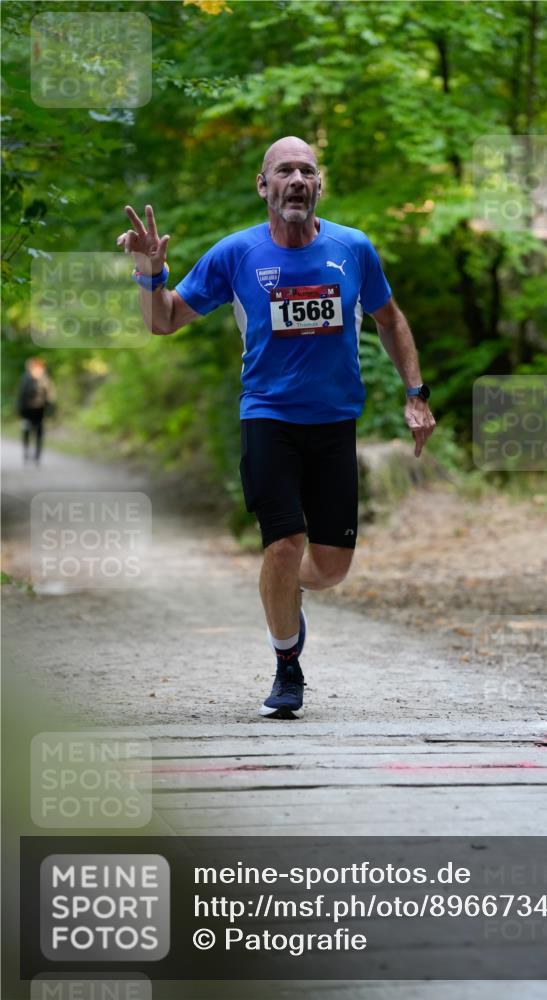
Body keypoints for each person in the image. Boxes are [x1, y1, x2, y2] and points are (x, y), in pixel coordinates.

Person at [117, 136, 435, 719]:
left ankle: (285, 590)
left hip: (335, 421)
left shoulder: (353, 248)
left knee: (331, 568)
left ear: (318, 186)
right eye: (283, 170)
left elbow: (390, 319)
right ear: (264, 186)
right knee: (284, 544)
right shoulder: (237, 254)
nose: (296, 179)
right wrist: (150, 272)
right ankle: (288, 667)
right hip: (267, 418)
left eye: (306, 170)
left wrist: (416, 393)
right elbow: (162, 322)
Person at [17, 357, 56, 466]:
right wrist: (20, 411)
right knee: (26, 432)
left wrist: (51, 408)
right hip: (27, 412)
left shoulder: (45, 380)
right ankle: (26, 452)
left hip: (40, 411)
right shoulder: (25, 379)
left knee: (39, 433)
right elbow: (21, 396)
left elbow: (49, 395)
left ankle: (37, 456)